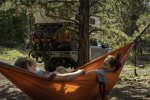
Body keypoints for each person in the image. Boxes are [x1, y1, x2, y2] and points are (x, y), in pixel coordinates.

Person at [14, 57, 85, 81]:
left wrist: (56, 72)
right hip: (68, 82)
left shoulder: (26, 79)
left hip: (49, 83)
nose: (35, 67)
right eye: (34, 66)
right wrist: (79, 72)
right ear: (28, 65)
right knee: (94, 72)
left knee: (59, 68)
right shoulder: (38, 73)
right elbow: (64, 78)